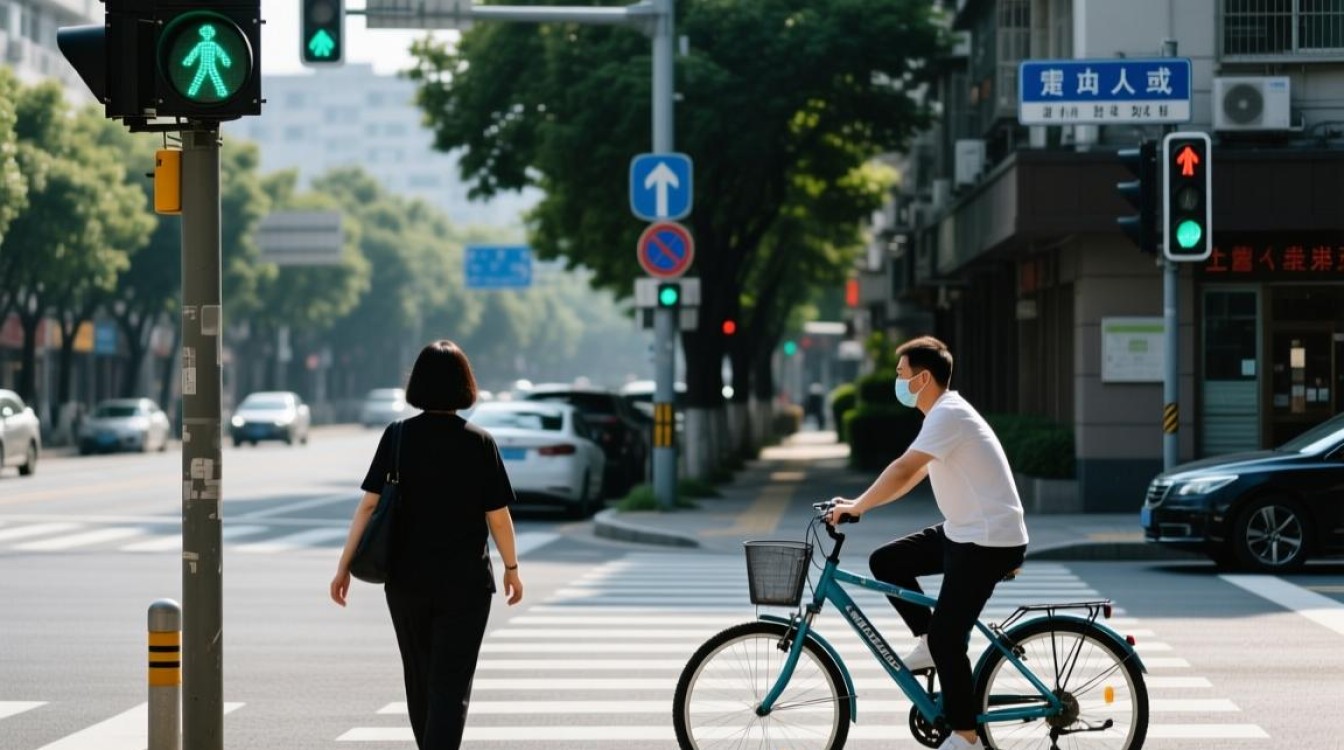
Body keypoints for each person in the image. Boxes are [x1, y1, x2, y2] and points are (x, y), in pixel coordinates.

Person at [825, 335, 1028, 750]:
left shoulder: (948, 414)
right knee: (888, 561)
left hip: (988, 540)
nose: (896, 382)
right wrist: (859, 504)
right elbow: (913, 473)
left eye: (901, 374)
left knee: (948, 639)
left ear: (922, 379)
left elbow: (903, 469)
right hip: (965, 531)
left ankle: (966, 736)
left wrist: (859, 505)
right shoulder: (940, 416)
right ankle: (928, 642)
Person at [331, 340, 524, 750]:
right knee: (450, 687)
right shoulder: (480, 442)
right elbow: (498, 517)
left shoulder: (398, 436)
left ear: (417, 384)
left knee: (419, 681)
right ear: (465, 385)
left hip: (405, 582)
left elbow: (368, 507)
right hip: (466, 585)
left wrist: (344, 567)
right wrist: (511, 568)